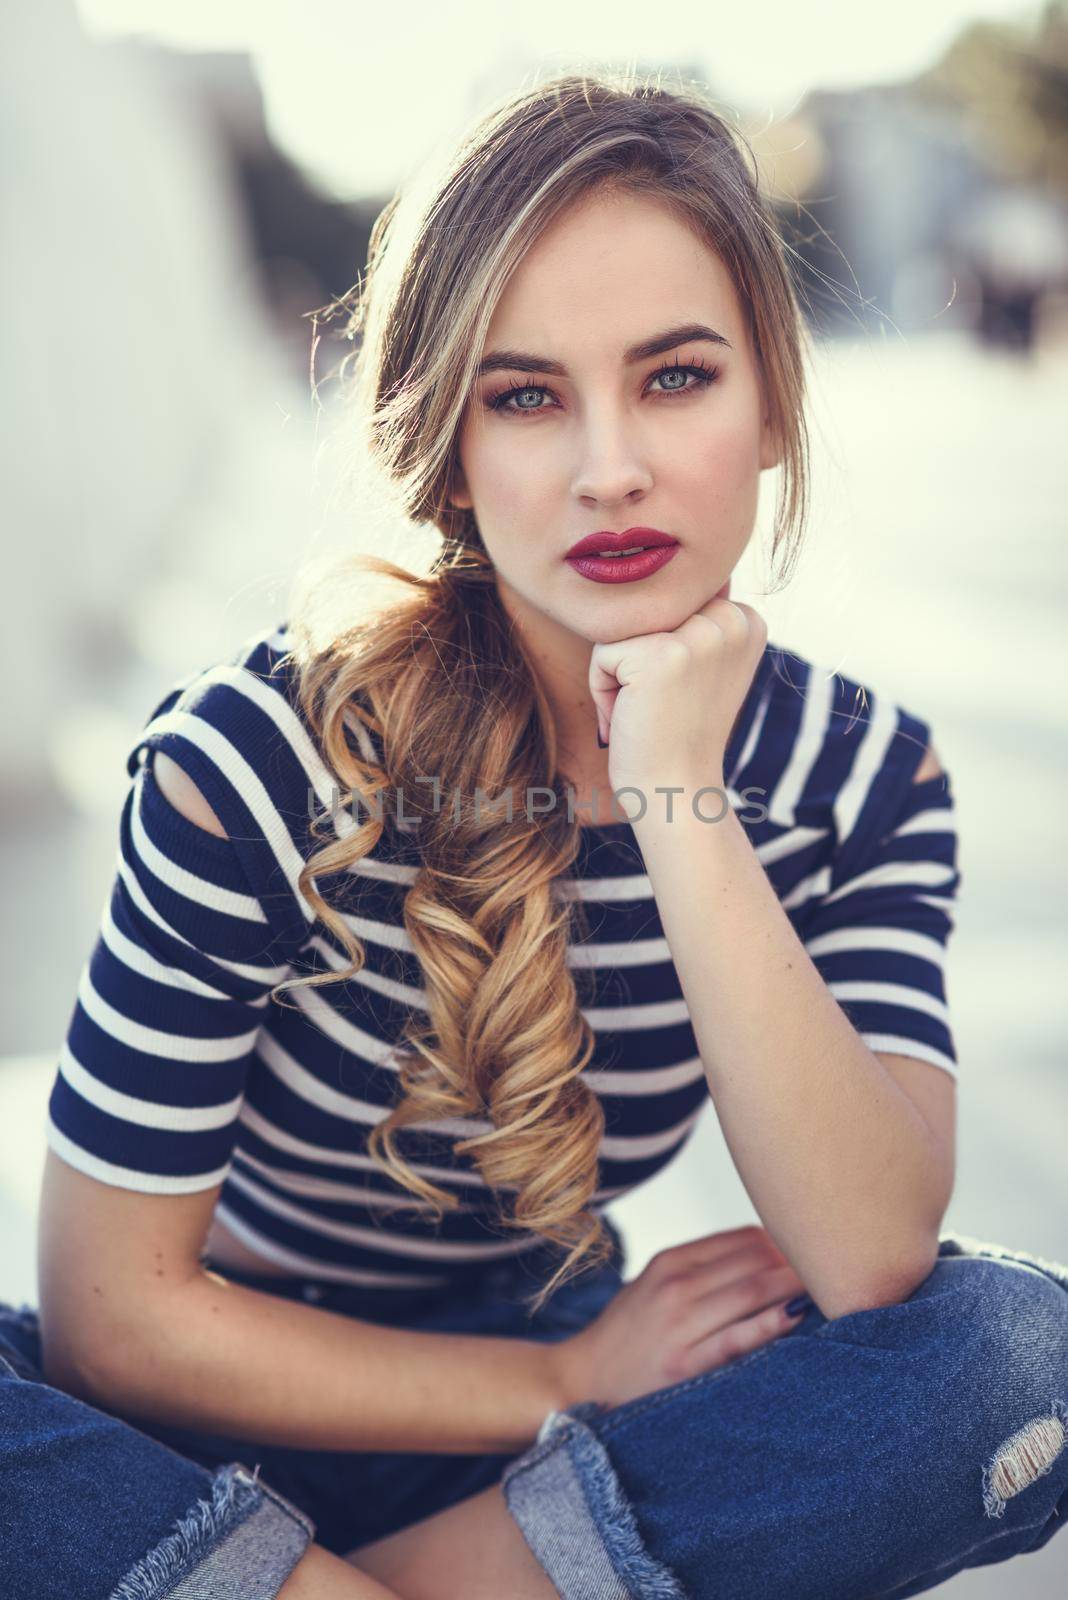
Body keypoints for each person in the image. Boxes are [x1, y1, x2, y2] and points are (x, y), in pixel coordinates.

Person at [3, 66, 1066, 1600]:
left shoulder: (863, 780)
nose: (609, 467)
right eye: (526, 396)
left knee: (1011, 1359)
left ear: (772, 398)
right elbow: (117, 1322)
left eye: (678, 376)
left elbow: (873, 1261)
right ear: (448, 448)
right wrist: (569, 1373)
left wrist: (682, 799)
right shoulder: (257, 762)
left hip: (548, 1462)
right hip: (201, 1409)